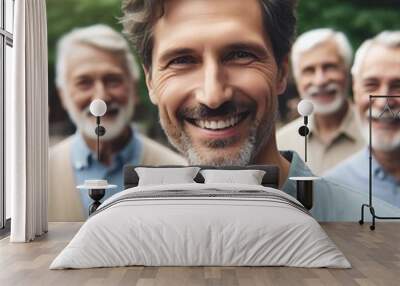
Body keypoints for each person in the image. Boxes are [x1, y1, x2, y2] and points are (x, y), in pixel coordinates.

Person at [121, 0, 400, 221]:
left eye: (240, 54)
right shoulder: (123, 235)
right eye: (182, 60)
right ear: (150, 82)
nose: (213, 96)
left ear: (281, 72)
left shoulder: (378, 225)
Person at [49, 24, 186, 222]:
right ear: (63, 95)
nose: (100, 98)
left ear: (134, 88)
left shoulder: (177, 170)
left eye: (113, 80)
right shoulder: (40, 174)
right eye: (84, 82)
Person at [325, 31, 400, 208]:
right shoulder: (330, 192)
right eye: (371, 85)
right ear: (355, 90)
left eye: (398, 86)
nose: (383, 103)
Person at [277, 29, 365, 175]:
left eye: (329, 67)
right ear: (297, 79)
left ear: (348, 72)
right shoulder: (282, 144)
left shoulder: (377, 136)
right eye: (309, 70)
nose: (320, 81)